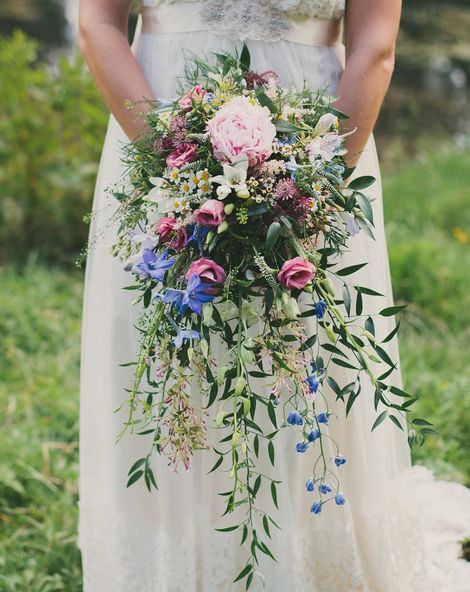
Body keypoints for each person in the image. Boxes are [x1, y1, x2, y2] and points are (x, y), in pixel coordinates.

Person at [78, 1, 470, 590]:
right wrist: (175, 172)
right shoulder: (164, 163)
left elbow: (374, 47)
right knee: (172, 359)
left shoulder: (319, 172)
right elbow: (98, 23)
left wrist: (316, 188)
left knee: (302, 349)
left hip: (318, 146)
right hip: (156, 141)